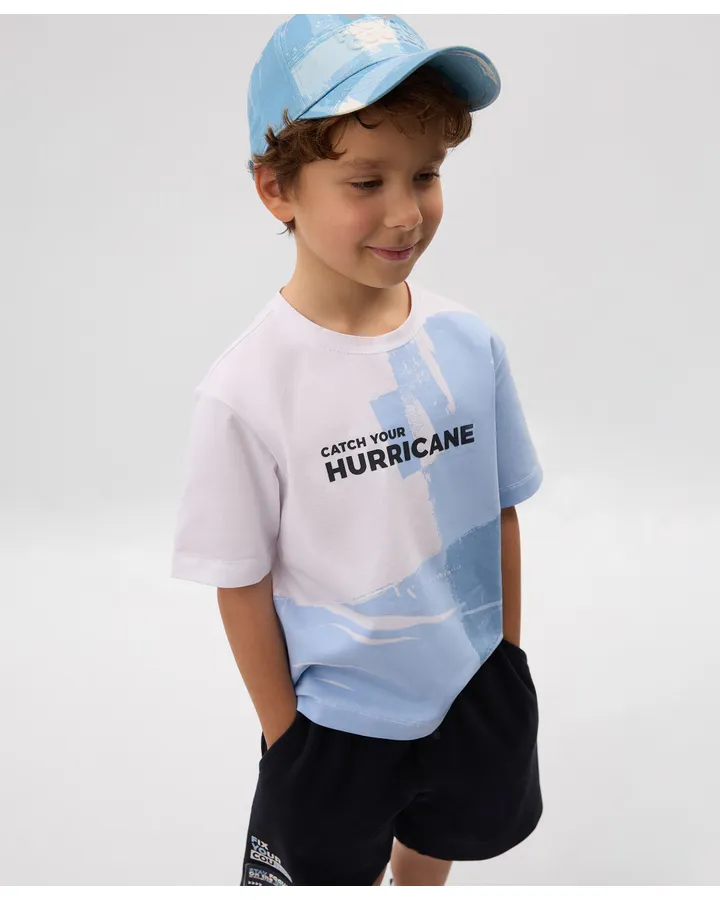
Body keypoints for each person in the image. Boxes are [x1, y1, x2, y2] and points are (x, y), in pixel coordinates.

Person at [171, 13, 544, 887]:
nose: (406, 212)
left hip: (472, 689)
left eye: (426, 174)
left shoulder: (468, 343)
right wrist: (286, 738)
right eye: (366, 181)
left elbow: (498, 510)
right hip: (333, 725)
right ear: (277, 188)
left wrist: (506, 660)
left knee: (444, 834)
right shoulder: (247, 389)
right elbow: (241, 581)